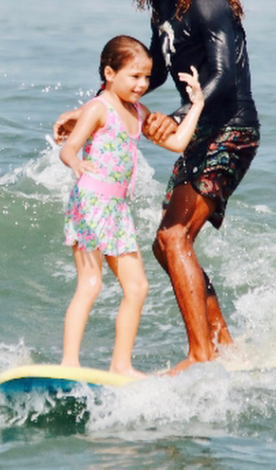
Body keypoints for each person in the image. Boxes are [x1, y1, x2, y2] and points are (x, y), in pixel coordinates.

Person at [55, 0, 260, 375]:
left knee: (173, 236)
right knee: (165, 245)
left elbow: (225, 78)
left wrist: (180, 115)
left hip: (231, 129)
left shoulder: (208, 3)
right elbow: (155, 73)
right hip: (200, 131)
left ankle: (201, 356)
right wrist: (93, 110)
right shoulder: (166, 5)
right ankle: (225, 346)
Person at [59, 35, 204, 378]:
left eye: (147, 78)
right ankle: (68, 363)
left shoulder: (139, 113)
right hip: (91, 204)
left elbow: (178, 142)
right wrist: (76, 163)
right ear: (109, 73)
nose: (142, 85)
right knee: (90, 283)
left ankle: (121, 365)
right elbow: (69, 148)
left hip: (118, 211)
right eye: (134, 76)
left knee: (137, 288)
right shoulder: (99, 108)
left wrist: (197, 103)